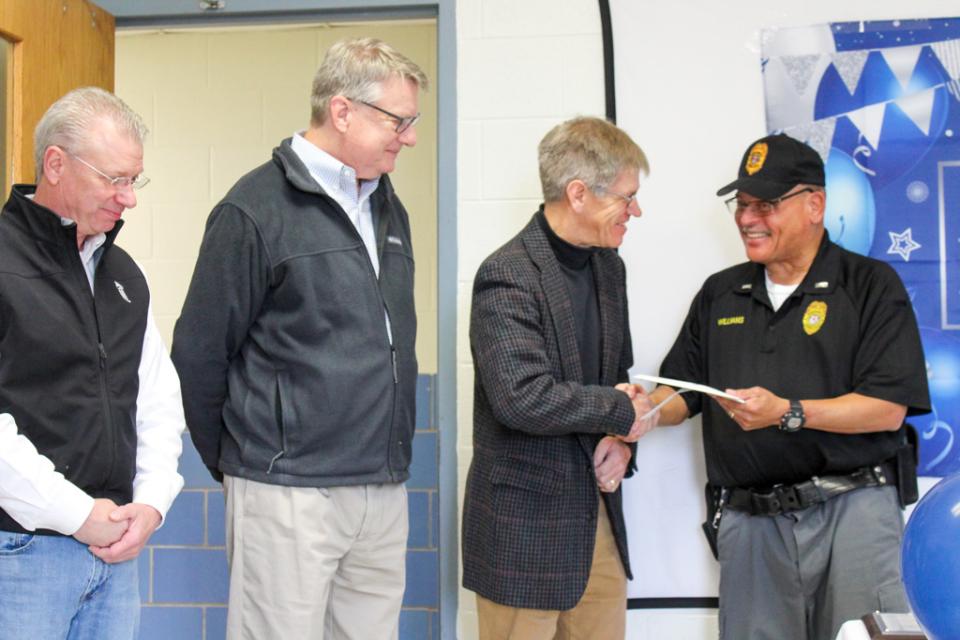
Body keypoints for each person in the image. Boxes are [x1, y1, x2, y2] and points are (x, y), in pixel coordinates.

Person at [171, 37, 427, 640]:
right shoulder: (253, 209)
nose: (409, 137)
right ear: (342, 112)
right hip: (286, 489)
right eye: (399, 120)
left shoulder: (389, 207)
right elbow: (199, 352)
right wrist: (242, 462)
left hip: (381, 485)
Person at [645, 133, 930, 640]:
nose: (748, 218)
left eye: (767, 204)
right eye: (743, 204)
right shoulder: (720, 294)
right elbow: (681, 393)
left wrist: (788, 412)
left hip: (854, 511)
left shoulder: (869, 285)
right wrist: (642, 410)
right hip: (751, 523)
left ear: (814, 204)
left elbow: (887, 408)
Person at [461, 116, 658, 640]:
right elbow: (521, 398)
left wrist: (621, 440)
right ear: (578, 194)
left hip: (598, 524)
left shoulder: (609, 268)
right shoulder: (506, 273)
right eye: (626, 197)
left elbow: (618, 377)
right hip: (524, 538)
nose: (635, 211)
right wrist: (619, 411)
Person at [0, 87, 185, 639]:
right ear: (55, 164)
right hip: (19, 551)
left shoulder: (126, 274)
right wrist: (77, 514)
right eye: (115, 179)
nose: (128, 199)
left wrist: (151, 504)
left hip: (114, 556)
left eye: (134, 180)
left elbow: (155, 399)